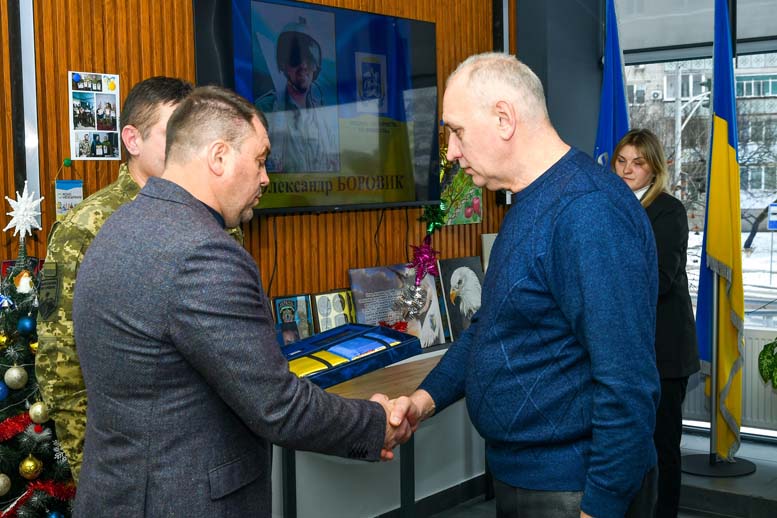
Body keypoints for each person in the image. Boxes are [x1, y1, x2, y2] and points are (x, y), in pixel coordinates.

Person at [70, 85, 412, 515]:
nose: (266, 178)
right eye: (260, 160)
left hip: (118, 493)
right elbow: (277, 406)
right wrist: (376, 423)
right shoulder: (204, 253)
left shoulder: (120, 224)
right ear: (219, 157)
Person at [386, 53, 662, 518]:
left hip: (575, 491)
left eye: (457, 131)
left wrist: (602, 505)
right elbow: (492, 327)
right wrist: (423, 401)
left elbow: (628, 382)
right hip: (529, 481)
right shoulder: (530, 202)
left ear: (504, 119)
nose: (451, 152)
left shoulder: (588, 211)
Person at [36, 76, 200, 483]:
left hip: (199, 453)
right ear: (132, 139)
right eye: (173, 133)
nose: (188, 146)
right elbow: (60, 364)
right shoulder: (86, 227)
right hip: (124, 463)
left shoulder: (210, 217)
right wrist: (93, 471)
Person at [613, 129, 700, 518]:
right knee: (625, 447)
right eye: (621, 161)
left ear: (654, 169)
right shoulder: (608, 206)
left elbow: (659, 280)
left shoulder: (669, 210)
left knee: (662, 447)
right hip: (623, 353)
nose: (627, 170)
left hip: (663, 352)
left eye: (638, 162)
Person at [254, 16, 339, 172]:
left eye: (310, 58)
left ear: (316, 66)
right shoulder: (265, 110)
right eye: (295, 58)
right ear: (283, 64)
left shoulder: (324, 118)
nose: (303, 66)